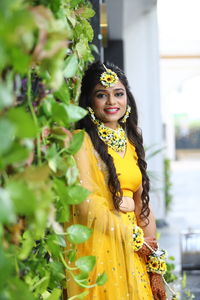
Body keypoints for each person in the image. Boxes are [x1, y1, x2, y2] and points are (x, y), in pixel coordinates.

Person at [66, 61, 167, 300]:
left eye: (118, 94)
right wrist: (130, 235)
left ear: (127, 99)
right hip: (101, 246)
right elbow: (86, 202)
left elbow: (142, 203)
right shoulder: (81, 141)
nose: (112, 102)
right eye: (102, 95)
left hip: (134, 249)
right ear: (89, 102)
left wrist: (153, 259)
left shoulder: (132, 139)